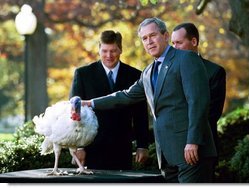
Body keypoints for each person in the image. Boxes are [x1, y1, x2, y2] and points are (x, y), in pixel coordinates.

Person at [82, 18, 217, 183]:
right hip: (167, 156)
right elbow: (126, 96)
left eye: (153, 35)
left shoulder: (186, 59)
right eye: (144, 38)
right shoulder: (147, 72)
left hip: (191, 152)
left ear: (165, 36)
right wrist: (90, 103)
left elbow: (198, 103)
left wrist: (193, 141)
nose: (149, 41)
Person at [69, 30, 150, 170]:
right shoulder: (83, 74)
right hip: (91, 148)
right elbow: (75, 113)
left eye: (113, 51)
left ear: (120, 50)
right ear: (99, 50)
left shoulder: (135, 75)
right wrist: (79, 146)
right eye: (104, 51)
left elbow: (141, 115)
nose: (108, 55)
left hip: (122, 147)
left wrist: (142, 145)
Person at [171, 22, 226, 180]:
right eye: (173, 43)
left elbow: (211, 113)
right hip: (173, 148)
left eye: (179, 43)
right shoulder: (170, 71)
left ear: (194, 42)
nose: (175, 48)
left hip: (201, 146)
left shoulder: (214, 71)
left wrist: (191, 139)